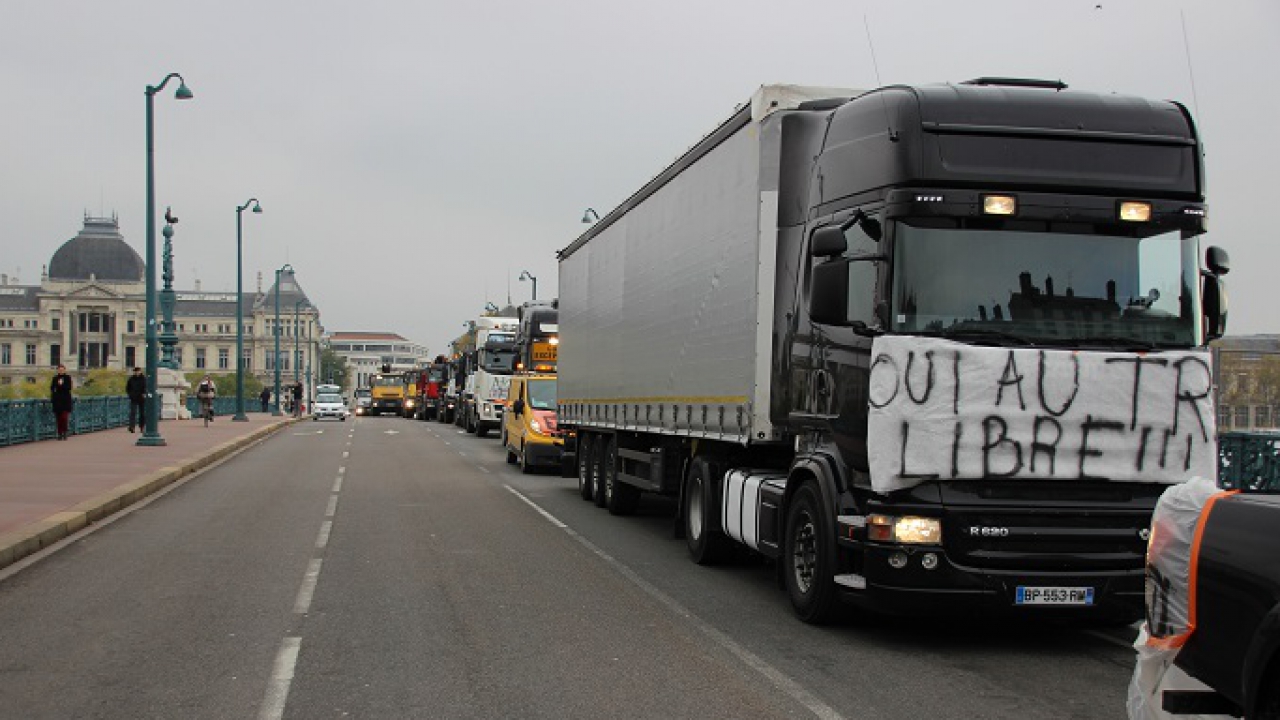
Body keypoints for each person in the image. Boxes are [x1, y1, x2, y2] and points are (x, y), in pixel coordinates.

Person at [49, 364, 74, 440]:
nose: (61, 371)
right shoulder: (55, 378)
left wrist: (61, 385)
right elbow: (52, 387)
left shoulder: (67, 378)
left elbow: (69, 387)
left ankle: (65, 432)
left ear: (64, 370)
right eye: (59, 369)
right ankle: (59, 433)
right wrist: (54, 394)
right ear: (58, 370)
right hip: (57, 400)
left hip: (65, 399)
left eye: (62, 369)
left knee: (64, 417)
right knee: (58, 418)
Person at [126, 366, 146, 433]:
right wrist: (130, 395)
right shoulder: (131, 379)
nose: (137, 372)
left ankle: (142, 427)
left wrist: (144, 394)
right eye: (136, 371)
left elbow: (146, 387)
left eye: (138, 371)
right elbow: (128, 388)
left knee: (142, 413)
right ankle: (132, 427)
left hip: (141, 398)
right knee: (133, 413)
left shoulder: (144, 379)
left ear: (140, 372)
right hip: (133, 398)